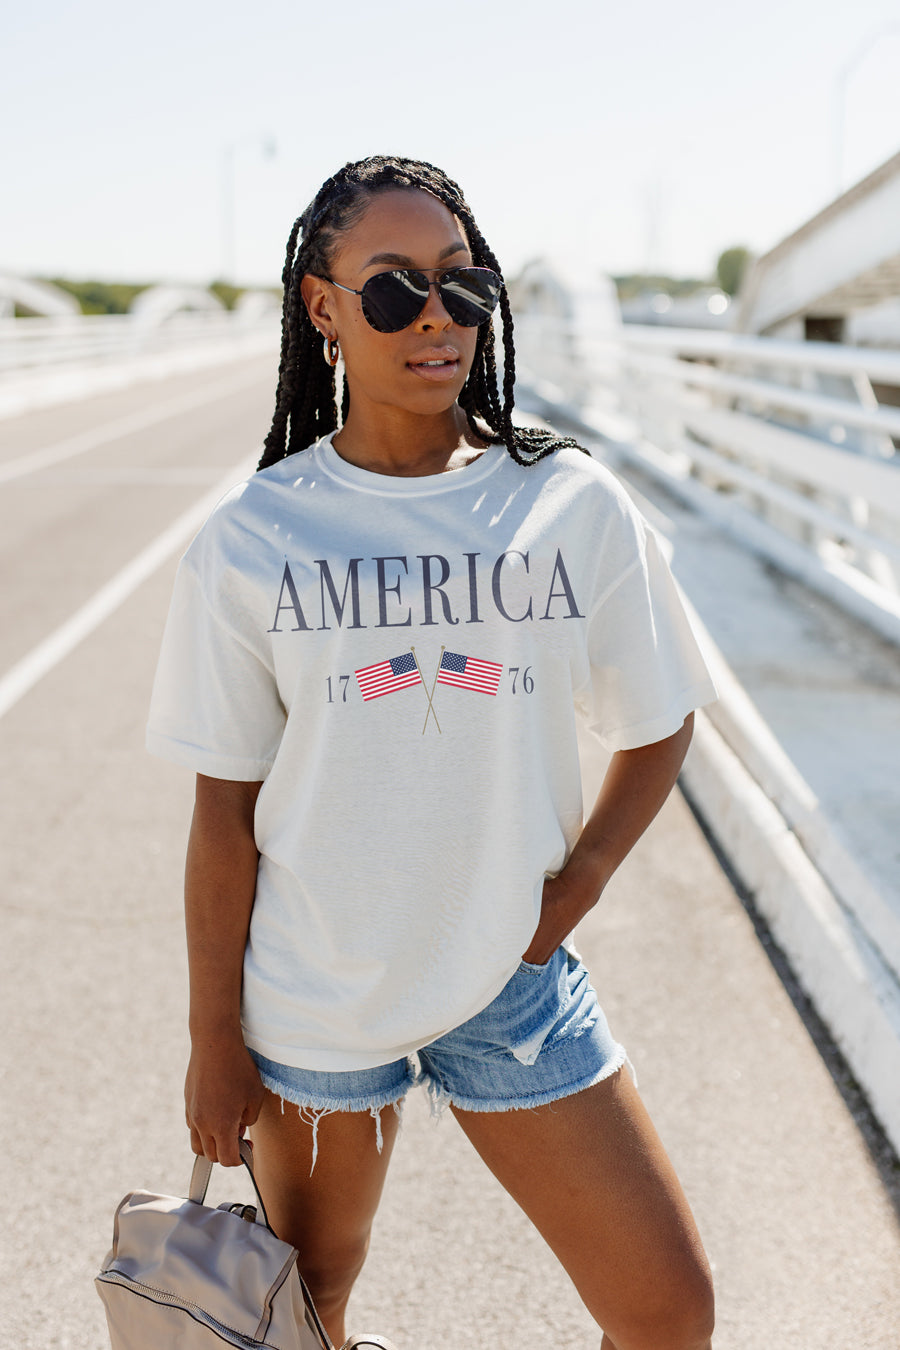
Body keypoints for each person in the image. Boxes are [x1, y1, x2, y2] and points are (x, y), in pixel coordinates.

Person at [147, 154, 718, 1350]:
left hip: (513, 976)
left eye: (463, 285)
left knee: (667, 1312)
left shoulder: (570, 503)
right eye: (394, 288)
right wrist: (211, 1039)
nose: (436, 317)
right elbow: (223, 814)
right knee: (308, 1309)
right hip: (317, 987)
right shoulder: (258, 537)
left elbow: (661, 713)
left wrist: (578, 886)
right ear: (323, 306)